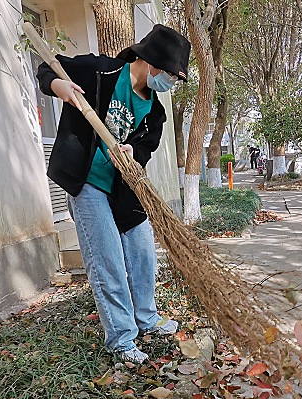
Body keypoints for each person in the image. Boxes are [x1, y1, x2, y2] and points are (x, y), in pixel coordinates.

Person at [37, 25, 191, 363]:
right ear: (152, 63)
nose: (170, 83)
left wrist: (133, 152)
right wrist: (59, 85)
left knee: (142, 256)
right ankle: (122, 339)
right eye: (170, 75)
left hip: (126, 189)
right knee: (107, 261)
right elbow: (47, 68)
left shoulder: (156, 113)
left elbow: (145, 149)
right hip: (87, 182)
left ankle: (146, 320)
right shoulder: (99, 71)